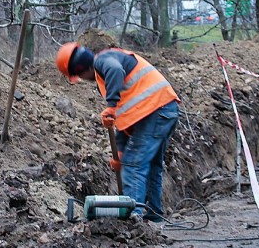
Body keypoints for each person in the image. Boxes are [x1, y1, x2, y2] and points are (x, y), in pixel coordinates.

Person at [56, 42, 181, 222]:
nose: (82, 79)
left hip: (156, 111)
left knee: (133, 164)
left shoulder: (104, 61)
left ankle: (133, 219)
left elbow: (115, 73)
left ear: (82, 69)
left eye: (79, 75)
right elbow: (125, 115)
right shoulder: (105, 72)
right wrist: (120, 151)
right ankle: (153, 218)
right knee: (152, 166)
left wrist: (111, 105)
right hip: (162, 110)